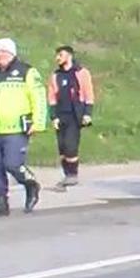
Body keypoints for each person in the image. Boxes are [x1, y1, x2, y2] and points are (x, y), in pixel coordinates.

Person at [0, 38, 47, 218]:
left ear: (13, 54)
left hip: (16, 129)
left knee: (13, 164)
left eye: (5, 52)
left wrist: (38, 122)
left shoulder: (27, 72)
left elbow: (38, 97)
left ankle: (30, 184)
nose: (1, 55)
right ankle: (0, 202)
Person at [47, 46, 96, 190]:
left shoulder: (81, 73)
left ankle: (72, 174)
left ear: (69, 56)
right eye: (57, 55)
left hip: (75, 114)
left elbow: (88, 92)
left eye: (60, 55)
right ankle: (67, 174)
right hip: (61, 114)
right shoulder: (55, 76)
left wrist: (87, 113)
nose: (57, 58)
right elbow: (51, 97)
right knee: (62, 147)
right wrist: (53, 116)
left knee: (70, 145)